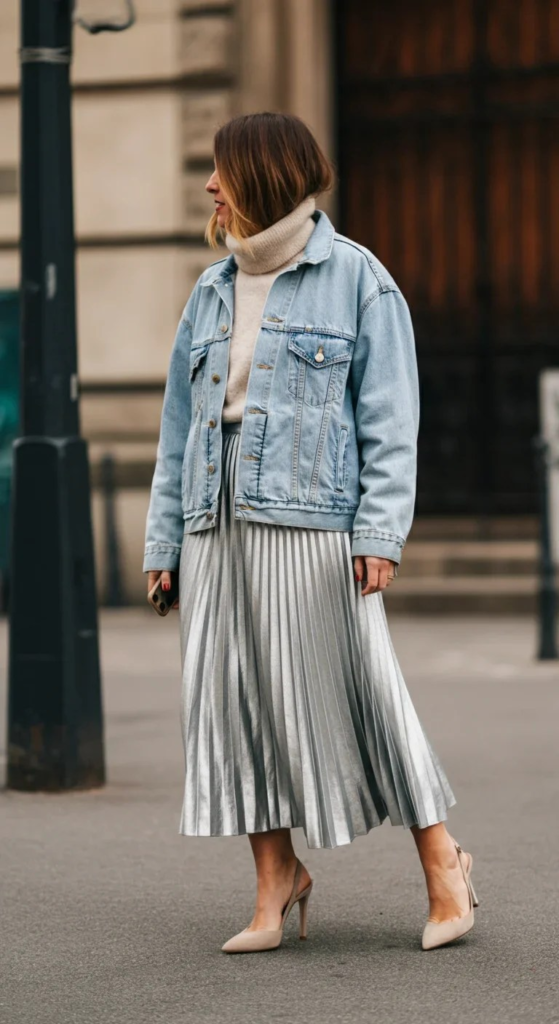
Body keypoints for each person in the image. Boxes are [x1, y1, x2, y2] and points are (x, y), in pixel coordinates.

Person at [144, 112, 478, 953]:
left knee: (367, 692)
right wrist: (164, 543)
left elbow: (389, 420)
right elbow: (178, 424)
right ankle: (275, 883)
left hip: (313, 521)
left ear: (259, 176)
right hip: (214, 521)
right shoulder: (211, 288)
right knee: (237, 702)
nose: (211, 187)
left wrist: (379, 531)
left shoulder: (357, 279)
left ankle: (445, 868)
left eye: (222, 172)